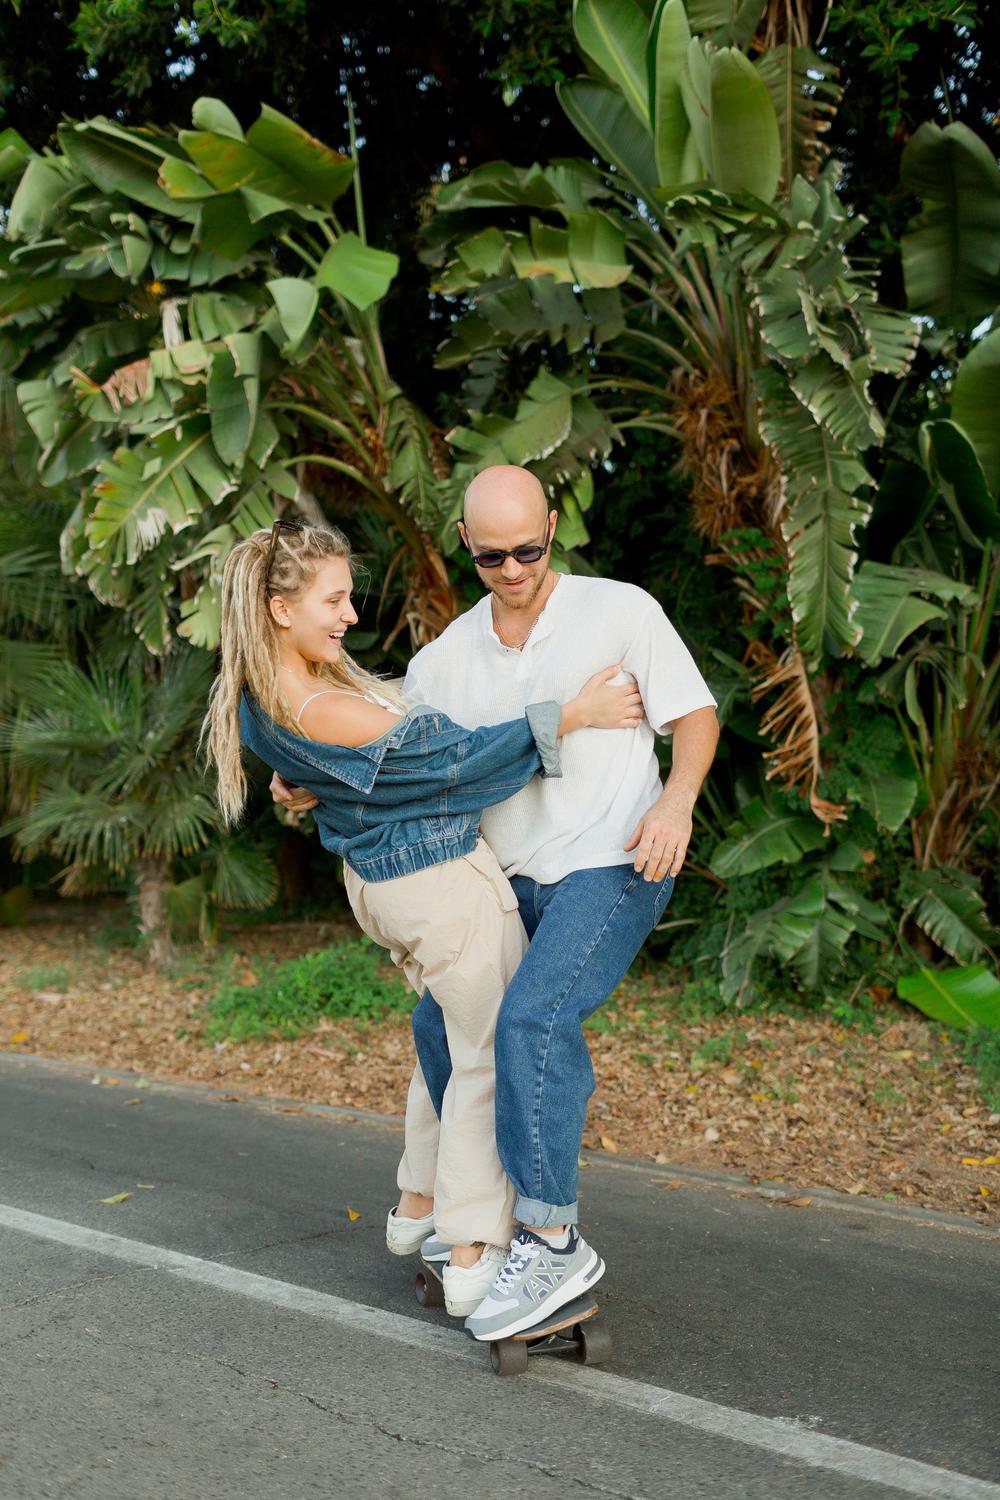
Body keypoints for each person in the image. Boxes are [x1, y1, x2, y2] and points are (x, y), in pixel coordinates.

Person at [275, 465, 719, 1340]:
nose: (514, 569)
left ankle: (550, 1236)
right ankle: (473, 1211)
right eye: (492, 556)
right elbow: (390, 734)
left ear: (554, 526)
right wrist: (309, 779)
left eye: (529, 548)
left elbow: (695, 714)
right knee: (441, 1026)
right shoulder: (447, 657)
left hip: (614, 859)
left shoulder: (620, 610)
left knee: (532, 1021)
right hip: (511, 877)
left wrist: (678, 801)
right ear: (468, 548)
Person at [201, 518, 642, 1319]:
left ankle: (416, 1204)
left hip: (383, 888)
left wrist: (312, 784)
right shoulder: (321, 703)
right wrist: (572, 714)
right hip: (440, 885)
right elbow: (454, 758)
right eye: (332, 600)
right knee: (485, 1057)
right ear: (277, 607)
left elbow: (364, 753)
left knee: (447, 1028)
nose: (346, 616)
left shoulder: (267, 697)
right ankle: (474, 1249)